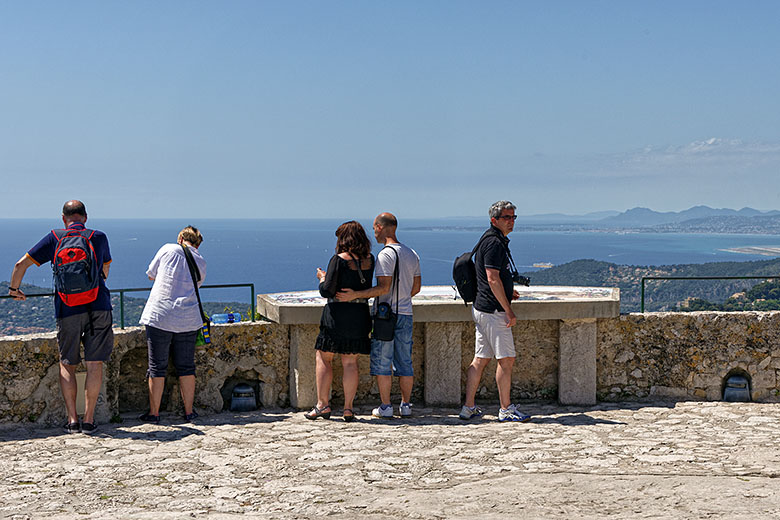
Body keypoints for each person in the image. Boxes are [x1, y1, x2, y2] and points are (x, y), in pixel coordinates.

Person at [8, 200, 113, 434]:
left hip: (67, 308)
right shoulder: (98, 237)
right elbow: (105, 269)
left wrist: (14, 290)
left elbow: (20, 265)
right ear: (85, 217)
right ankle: (89, 419)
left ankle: (72, 420)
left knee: (68, 364)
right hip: (98, 306)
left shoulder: (54, 238)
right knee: (94, 364)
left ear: (63, 219)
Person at [337, 213, 421, 419]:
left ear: (379, 227)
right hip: (406, 313)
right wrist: (401, 298)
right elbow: (416, 288)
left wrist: (356, 294)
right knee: (404, 362)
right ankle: (406, 405)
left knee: (383, 362)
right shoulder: (412, 253)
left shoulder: (385, 255)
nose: (373, 232)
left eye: (374, 228)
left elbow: (383, 288)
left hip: (386, 316)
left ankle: (386, 406)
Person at [459, 201, 531, 422]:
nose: (511, 221)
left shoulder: (488, 239)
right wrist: (508, 309)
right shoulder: (495, 244)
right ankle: (505, 408)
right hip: (494, 311)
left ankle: (468, 407)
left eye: (513, 217)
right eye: (506, 217)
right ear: (494, 220)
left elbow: (494, 277)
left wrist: (509, 292)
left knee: (480, 360)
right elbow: (492, 278)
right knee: (506, 360)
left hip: (483, 307)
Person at [306, 221, 375, 422]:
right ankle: (348, 408)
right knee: (350, 362)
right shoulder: (370, 260)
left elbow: (327, 290)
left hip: (336, 316)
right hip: (359, 315)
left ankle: (322, 405)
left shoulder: (338, 260)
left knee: (324, 358)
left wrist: (321, 277)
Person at [138, 226, 206, 423]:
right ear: (198, 244)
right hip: (188, 318)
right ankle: (189, 411)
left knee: (157, 366)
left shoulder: (168, 249)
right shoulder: (200, 261)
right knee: (186, 367)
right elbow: (196, 284)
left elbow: (151, 274)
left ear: (180, 238)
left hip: (160, 315)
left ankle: (154, 413)